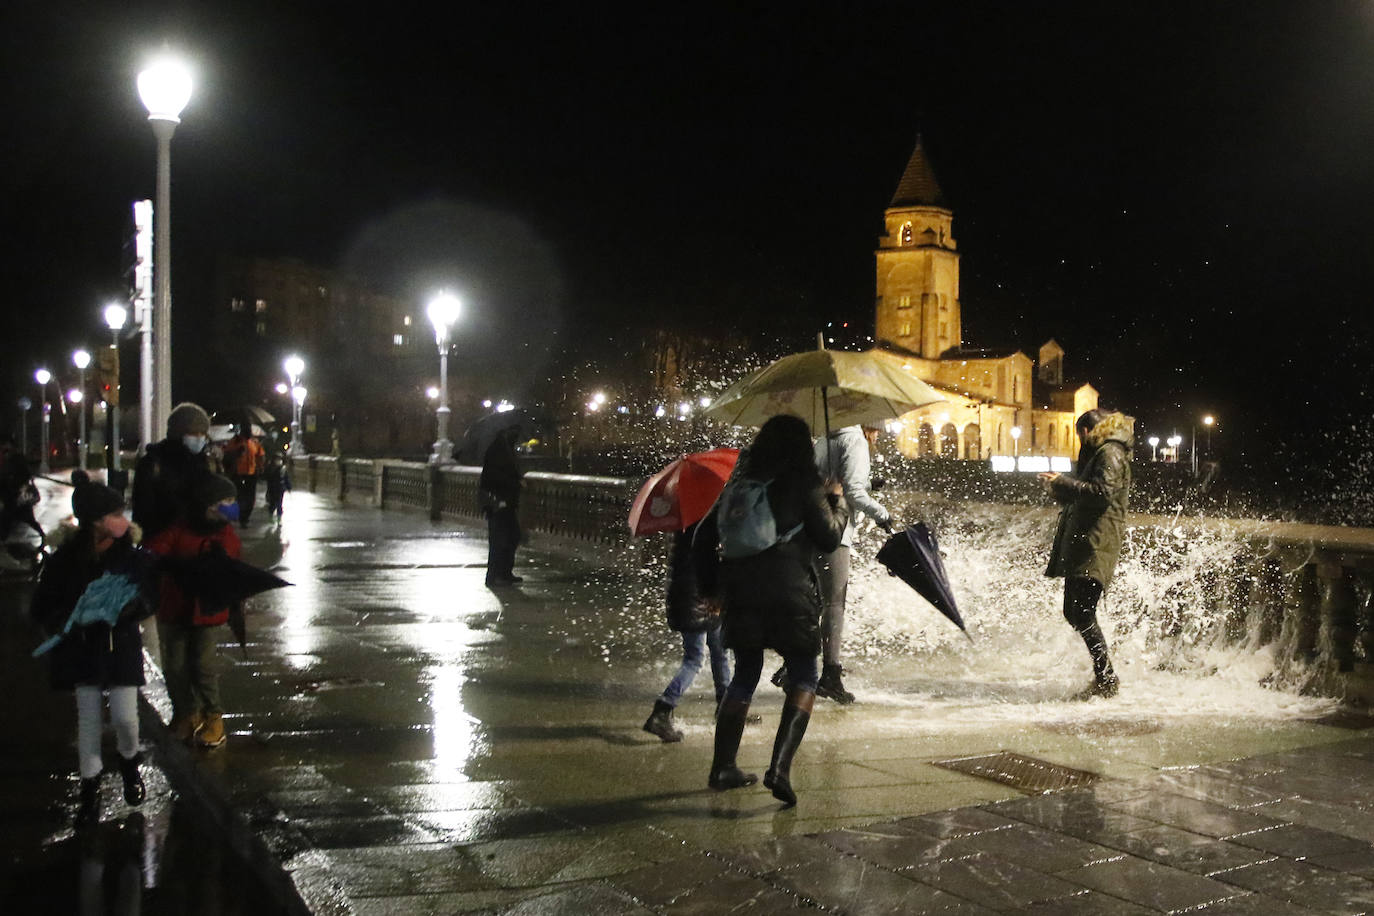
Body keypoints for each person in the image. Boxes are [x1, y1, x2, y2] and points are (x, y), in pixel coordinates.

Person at [698, 414, 848, 806]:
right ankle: (779, 769)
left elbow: (703, 536)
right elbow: (829, 538)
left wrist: (712, 588)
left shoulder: (742, 481)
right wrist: (838, 502)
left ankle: (722, 768)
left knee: (744, 674)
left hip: (741, 592)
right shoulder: (806, 482)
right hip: (789, 591)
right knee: (804, 674)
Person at [30, 475, 157, 827]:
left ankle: (130, 764)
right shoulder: (65, 561)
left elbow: (150, 596)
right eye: (115, 513)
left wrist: (131, 608)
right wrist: (70, 617)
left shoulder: (131, 557)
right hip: (81, 648)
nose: (123, 519)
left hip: (120, 646)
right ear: (96, 520)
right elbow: (42, 607)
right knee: (88, 721)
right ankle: (90, 791)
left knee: (125, 719)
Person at [773, 425, 892, 704]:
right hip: (834, 531)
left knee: (814, 600)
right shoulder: (856, 441)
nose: (878, 437)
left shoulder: (824, 440)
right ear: (870, 425)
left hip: (810, 528)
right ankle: (830, 675)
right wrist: (882, 514)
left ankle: (792, 665)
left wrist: (867, 483)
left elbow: (825, 480)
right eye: (878, 431)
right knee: (834, 603)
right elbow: (853, 493)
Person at [1041, 408, 1135, 699]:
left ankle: (1107, 679)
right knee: (1075, 611)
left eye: (1079, 433)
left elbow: (1102, 493)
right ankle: (1105, 676)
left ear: (1086, 431)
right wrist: (1058, 487)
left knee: (1081, 611)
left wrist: (1062, 482)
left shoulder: (1110, 453)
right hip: (1087, 541)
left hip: (1097, 543)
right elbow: (1090, 493)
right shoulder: (1102, 453)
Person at [146, 474, 242, 748]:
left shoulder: (226, 534)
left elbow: (233, 565)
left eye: (232, 500)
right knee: (174, 665)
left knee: (203, 666)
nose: (230, 506)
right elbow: (156, 550)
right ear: (207, 504)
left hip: (208, 611)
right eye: (225, 501)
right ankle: (186, 714)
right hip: (175, 607)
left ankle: (214, 717)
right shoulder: (180, 529)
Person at [642, 519, 731, 743]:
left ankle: (728, 708)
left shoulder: (688, 525)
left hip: (695, 600)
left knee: (720, 649)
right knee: (694, 659)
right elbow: (709, 566)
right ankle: (662, 710)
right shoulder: (705, 528)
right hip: (699, 602)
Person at [131, 402, 215, 541]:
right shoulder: (153, 463)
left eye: (203, 433)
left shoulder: (207, 463)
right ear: (178, 433)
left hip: (199, 545)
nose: (199, 438)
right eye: (193, 433)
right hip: (162, 544)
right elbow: (142, 509)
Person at [479, 427, 523, 587]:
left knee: (510, 537)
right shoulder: (497, 451)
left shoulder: (504, 450)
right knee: (501, 539)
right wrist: (515, 482)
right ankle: (496, 575)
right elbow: (496, 477)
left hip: (505, 502)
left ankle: (503, 572)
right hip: (499, 503)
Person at [222, 422, 266, 528]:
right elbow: (226, 456)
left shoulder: (254, 442)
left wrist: (260, 467)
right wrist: (237, 453)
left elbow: (260, 456)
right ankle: (241, 516)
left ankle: (245, 517)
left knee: (250, 498)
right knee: (240, 497)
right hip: (237, 474)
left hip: (251, 474)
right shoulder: (234, 441)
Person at [262, 444, 289, 524]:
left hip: (280, 489)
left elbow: (286, 478)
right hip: (272, 489)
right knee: (273, 504)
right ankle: (271, 515)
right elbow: (265, 476)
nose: (278, 461)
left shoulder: (283, 469)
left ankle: (279, 518)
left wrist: (288, 486)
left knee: (279, 504)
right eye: (277, 459)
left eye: (279, 459)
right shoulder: (270, 468)